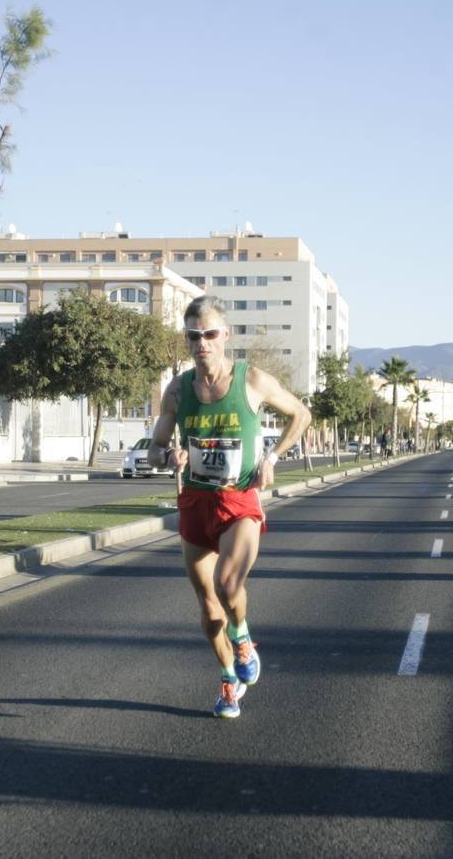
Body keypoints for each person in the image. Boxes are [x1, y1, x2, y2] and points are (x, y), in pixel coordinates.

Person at [150, 295, 311, 719]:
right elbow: (154, 448)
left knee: (228, 583)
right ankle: (228, 678)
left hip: (239, 499)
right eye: (193, 336)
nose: (202, 343)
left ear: (226, 336)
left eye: (210, 334)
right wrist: (168, 458)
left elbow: (301, 415)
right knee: (207, 605)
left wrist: (273, 457)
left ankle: (241, 638)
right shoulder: (178, 389)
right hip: (195, 502)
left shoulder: (252, 381)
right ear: (187, 341)